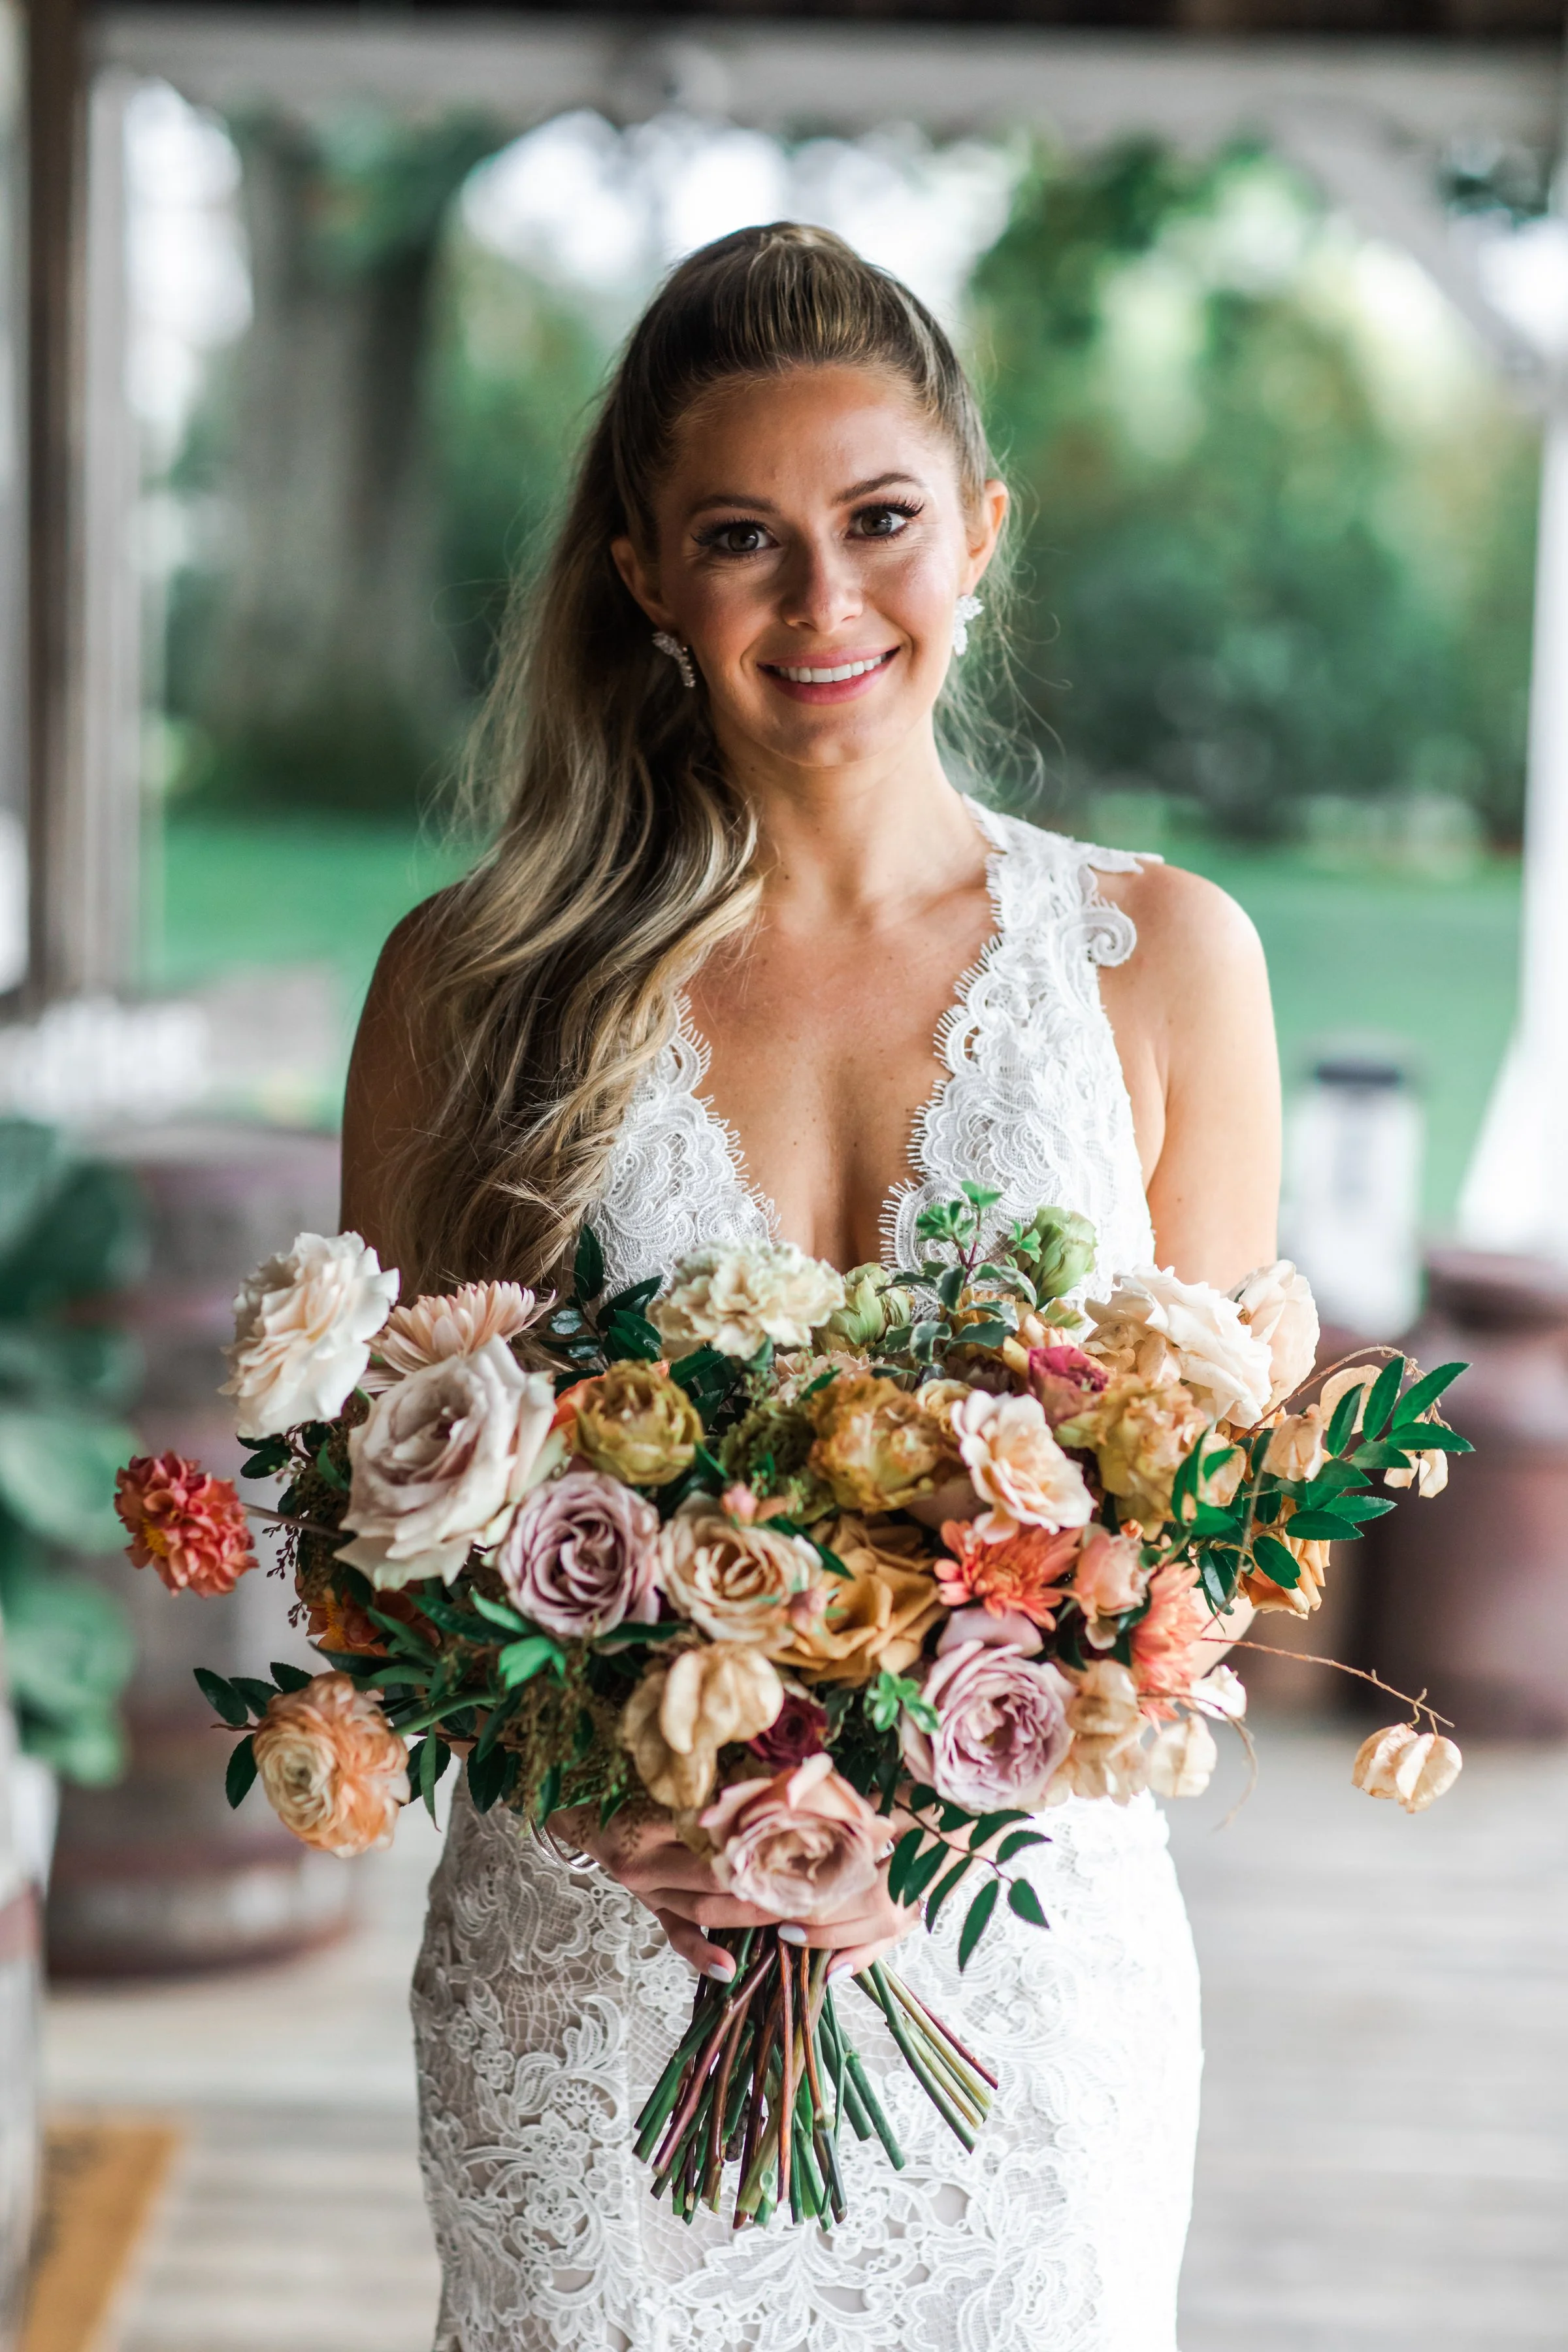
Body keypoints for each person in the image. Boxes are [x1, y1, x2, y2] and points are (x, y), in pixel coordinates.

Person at [342, 222, 1279, 2352]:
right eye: (744, 540)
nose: (826, 601)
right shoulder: (477, 989)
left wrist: (926, 1816)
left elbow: (1211, 1552)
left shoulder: (1166, 964)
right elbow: (384, 1542)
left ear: (983, 532)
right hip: (605, 1977)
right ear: (641, 574)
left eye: (879, 523)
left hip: (1021, 2000)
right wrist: (629, 1795)